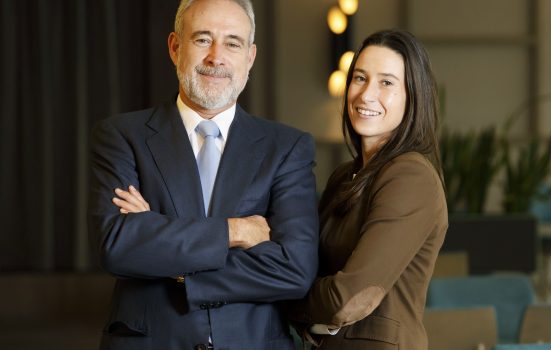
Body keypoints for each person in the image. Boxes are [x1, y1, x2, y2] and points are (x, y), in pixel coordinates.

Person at [87, 0, 318, 349]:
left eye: (232, 42)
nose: (216, 57)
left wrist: (172, 260)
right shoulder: (121, 136)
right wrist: (235, 231)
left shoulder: (287, 148)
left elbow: (295, 270)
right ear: (175, 48)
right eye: (202, 39)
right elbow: (118, 245)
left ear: (250, 57)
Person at [288, 29, 448, 349]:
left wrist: (280, 297)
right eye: (360, 78)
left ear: (412, 95)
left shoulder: (410, 176)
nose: (366, 95)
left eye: (386, 82)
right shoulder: (345, 177)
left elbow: (352, 297)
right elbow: (303, 263)